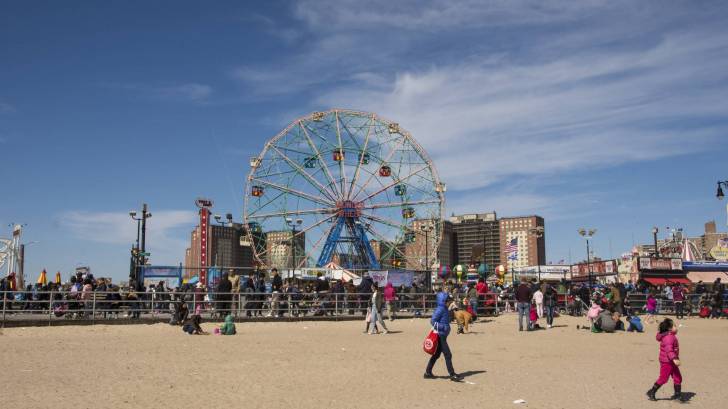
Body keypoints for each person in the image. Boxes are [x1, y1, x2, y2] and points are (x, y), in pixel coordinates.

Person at [424, 291, 462, 382]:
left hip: (443, 335)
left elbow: (445, 319)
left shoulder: (444, 308)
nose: (449, 302)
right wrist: (443, 327)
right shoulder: (440, 309)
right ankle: (452, 374)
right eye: (448, 301)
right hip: (440, 335)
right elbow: (432, 321)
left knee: (436, 354)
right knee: (448, 355)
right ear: (443, 301)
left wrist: (452, 312)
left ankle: (428, 372)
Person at [646, 318, 686, 402]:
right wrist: (674, 358)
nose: (676, 327)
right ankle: (652, 391)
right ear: (669, 328)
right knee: (663, 378)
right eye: (674, 326)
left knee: (678, 377)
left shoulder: (671, 336)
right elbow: (669, 349)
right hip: (667, 362)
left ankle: (677, 395)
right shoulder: (669, 337)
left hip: (671, 361)